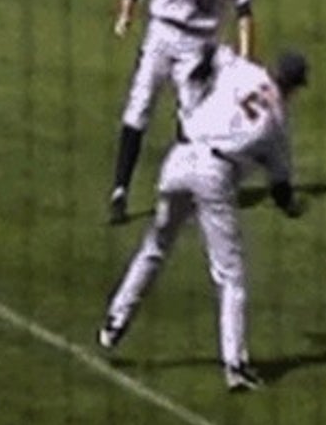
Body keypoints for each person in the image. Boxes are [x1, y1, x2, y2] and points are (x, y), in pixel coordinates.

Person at [97, 45, 308, 392]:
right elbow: (281, 189)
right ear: (295, 87)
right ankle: (235, 365)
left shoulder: (244, 70)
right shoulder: (279, 125)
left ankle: (115, 321)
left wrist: (198, 80)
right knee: (231, 275)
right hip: (214, 174)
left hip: (179, 159)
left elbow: (211, 51)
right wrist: (292, 208)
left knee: (156, 245)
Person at [108, 0, 257, 225]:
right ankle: (119, 191)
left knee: (192, 119)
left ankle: (181, 192)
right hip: (161, 33)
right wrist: (126, 12)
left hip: (198, 43)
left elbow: (244, 6)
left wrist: (246, 55)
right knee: (139, 106)